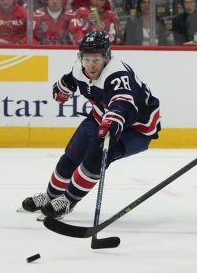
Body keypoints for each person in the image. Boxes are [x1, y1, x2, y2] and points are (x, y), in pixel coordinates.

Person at [21, 30, 161, 219]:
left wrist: (114, 120)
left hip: (137, 127)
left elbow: (123, 104)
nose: (91, 65)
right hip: (101, 116)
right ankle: (51, 196)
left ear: (107, 57)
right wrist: (63, 87)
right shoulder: (80, 67)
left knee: (97, 156)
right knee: (72, 154)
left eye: (96, 60)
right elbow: (71, 79)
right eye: (86, 59)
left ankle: (68, 201)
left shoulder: (117, 74)